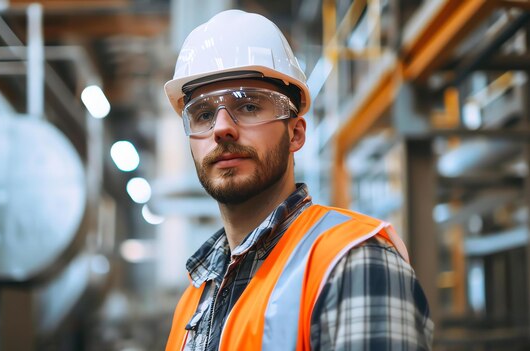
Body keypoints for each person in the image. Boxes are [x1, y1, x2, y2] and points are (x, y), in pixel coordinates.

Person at [163, 9, 434, 351]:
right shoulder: (195, 300)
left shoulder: (353, 264)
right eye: (202, 114)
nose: (221, 128)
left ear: (296, 134)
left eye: (248, 106)